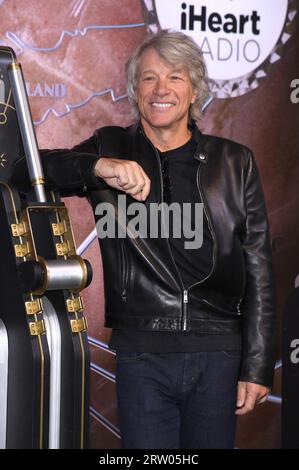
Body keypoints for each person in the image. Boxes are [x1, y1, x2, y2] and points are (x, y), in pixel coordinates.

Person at [12, 30, 276, 449]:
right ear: (135, 90)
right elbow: (26, 171)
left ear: (194, 90)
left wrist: (258, 366)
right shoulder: (111, 146)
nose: (161, 89)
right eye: (149, 78)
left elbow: (258, 268)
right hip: (143, 353)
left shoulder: (234, 161)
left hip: (218, 352)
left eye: (175, 77)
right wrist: (99, 167)